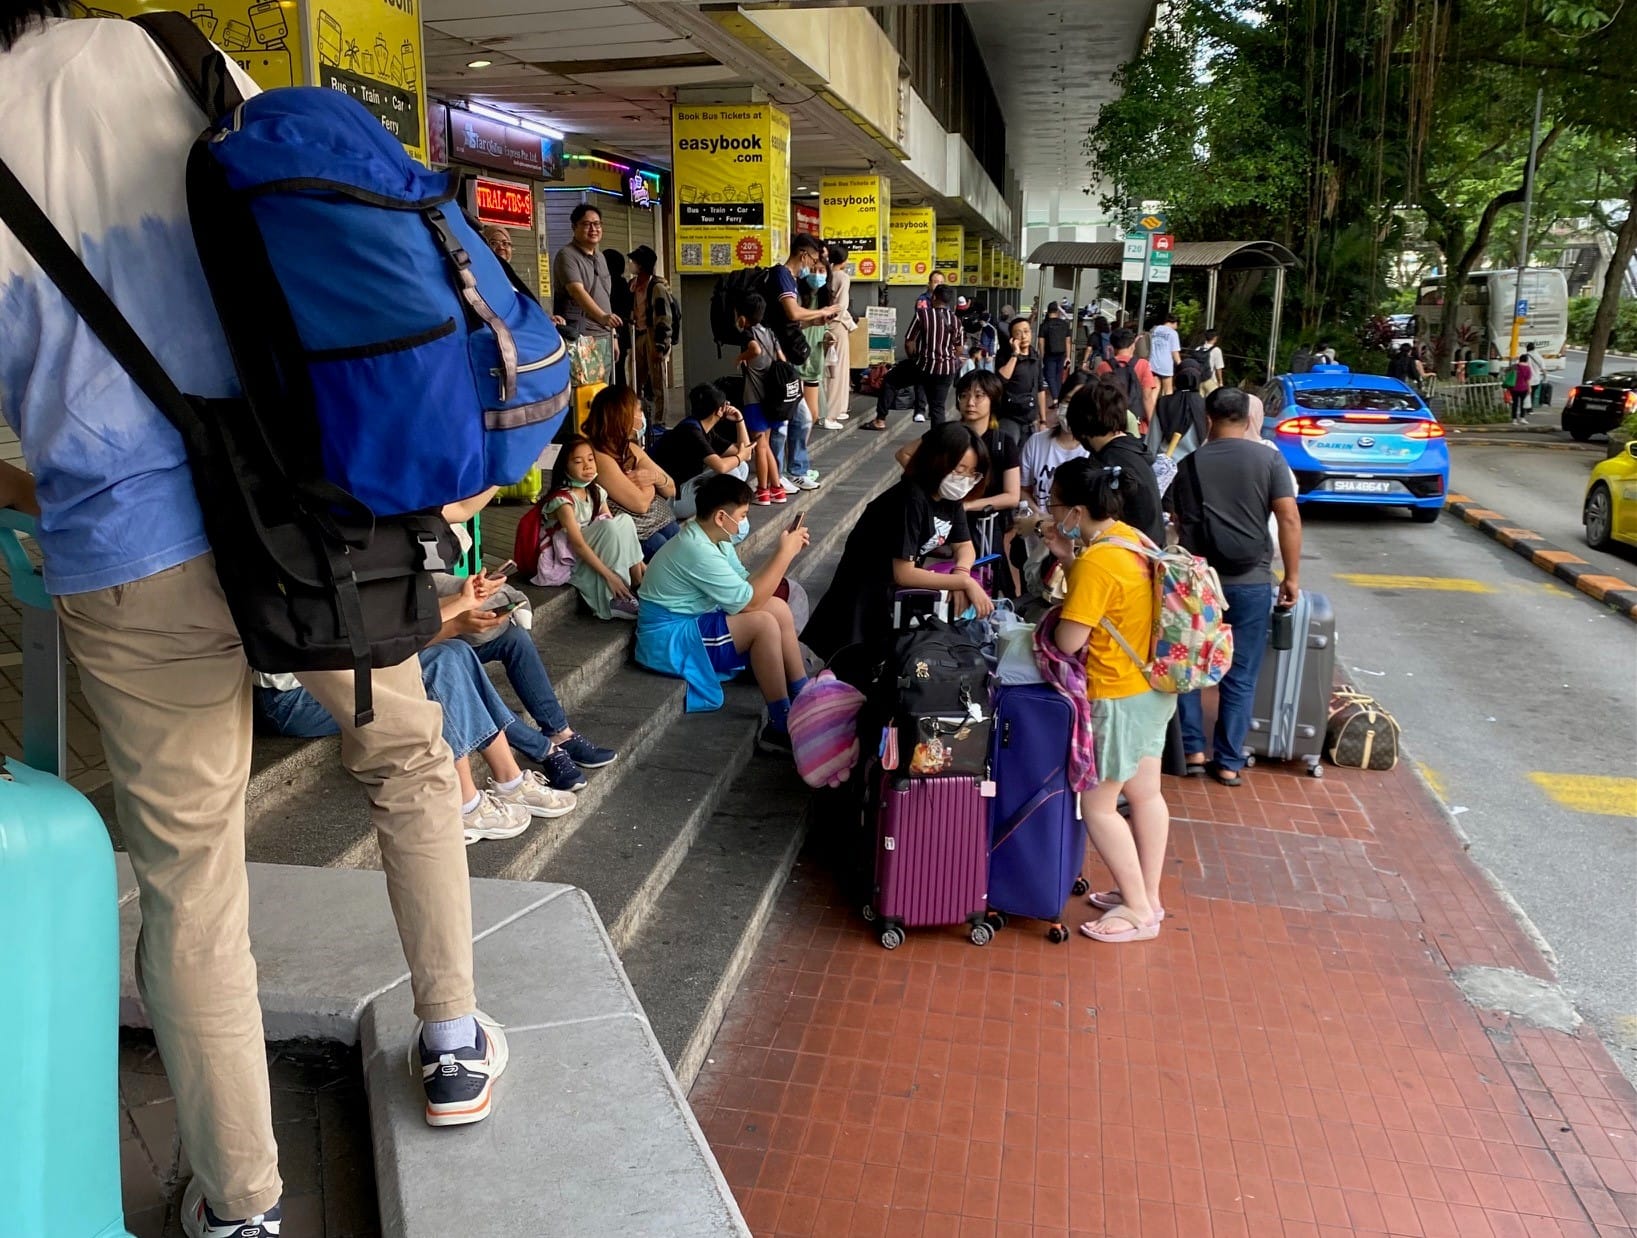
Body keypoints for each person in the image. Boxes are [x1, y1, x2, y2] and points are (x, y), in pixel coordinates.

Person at [0, 11, 501, 1233]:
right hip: (304, 516)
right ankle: (449, 1036)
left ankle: (242, 1203)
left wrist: (63, 480)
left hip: (124, 558)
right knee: (405, 757)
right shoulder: (174, 53)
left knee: (192, 884)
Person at [1040, 458, 1177, 943]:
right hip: (1153, 688)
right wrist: (1067, 556)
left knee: (1098, 805)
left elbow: (1071, 640)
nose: (1051, 512)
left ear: (1077, 511)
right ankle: (1149, 896)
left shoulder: (1099, 561)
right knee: (1146, 794)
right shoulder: (1131, 538)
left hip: (1116, 696)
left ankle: (1138, 911)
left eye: (1055, 504)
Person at [1171, 388, 1303, 786]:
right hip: (1251, 582)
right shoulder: (1269, 459)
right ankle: (1228, 761)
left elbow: (1178, 519)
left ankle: (1192, 750)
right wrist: (1292, 577)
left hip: (1198, 583)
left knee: (1190, 665)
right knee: (1241, 674)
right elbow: (1289, 519)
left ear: (1207, 420)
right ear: (1248, 419)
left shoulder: (1189, 464)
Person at [635, 473, 810, 752]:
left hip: (693, 621)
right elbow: (749, 604)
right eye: (741, 516)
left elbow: (746, 585)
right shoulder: (696, 549)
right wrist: (784, 554)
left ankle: (804, 693)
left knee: (775, 606)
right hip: (669, 637)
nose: (743, 522)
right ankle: (780, 723)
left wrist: (783, 553)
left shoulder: (716, 540)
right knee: (763, 623)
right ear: (720, 517)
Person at [802, 422, 995, 661]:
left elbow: (964, 544)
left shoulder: (949, 497)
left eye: (972, 473)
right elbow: (904, 573)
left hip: (891, 598)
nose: (964, 480)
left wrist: (962, 572)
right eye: (959, 469)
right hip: (862, 596)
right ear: (937, 460)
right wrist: (963, 583)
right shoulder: (910, 499)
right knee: (851, 675)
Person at [534, 436, 646, 620]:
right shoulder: (562, 500)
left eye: (590, 459)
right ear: (565, 467)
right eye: (578, 461)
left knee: (623, 521)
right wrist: (610, 576)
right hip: (573, 556)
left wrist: (640, 563)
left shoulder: (595, 491)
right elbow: (577, 544)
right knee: (613, 526)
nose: (587, 465)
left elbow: (618, 528)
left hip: (595, 548)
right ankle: (614, 596)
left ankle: (637, 582)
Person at [583, 385, 680, 558]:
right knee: (660, 545)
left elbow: (671, 488)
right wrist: (652, 484)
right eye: (638, 411)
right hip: (617, 534)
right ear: (622, 416)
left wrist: (654, 477)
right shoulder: (598, 455)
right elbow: (640, 505)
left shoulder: (630, 449)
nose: (641, 416)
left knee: (673, 531)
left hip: (645, 523)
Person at [1065, 382, 1166, 547]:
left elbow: (1094, 530)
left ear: (1080, 425)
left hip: (1125, 559)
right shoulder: (1135, 449)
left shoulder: (1106, 465)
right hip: (1150, 555)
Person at [861, 284, 963, 432]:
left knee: (890, 381)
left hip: (923, 365)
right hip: (946, 370)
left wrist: (914, 359)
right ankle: (940, 441)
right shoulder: (956, 321)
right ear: (949, 302)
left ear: (933, 298)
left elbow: (909, 342)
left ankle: (880, 420)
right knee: (937, 407)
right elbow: (959, 349)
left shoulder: (923, 315)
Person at [653, 382, 753, 519]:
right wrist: (741, 455)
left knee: (741, 467)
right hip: (672, 501)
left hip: (685, 489)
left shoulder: (702, 427)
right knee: (732, 472)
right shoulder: (691, 432)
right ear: (719, 410)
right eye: (726, 403)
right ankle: (718, 517)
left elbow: (743, 451)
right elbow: (722, 466)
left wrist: (739, 420)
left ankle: (727, 513)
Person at [733, 292, 787, 505]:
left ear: (743, 317)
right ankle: (777, 488)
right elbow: (781, 359)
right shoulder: (770, 333)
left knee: (760, 446)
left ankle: (763, 490)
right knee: (766, 445)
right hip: (772, 398)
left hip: (754, 398)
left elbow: (754, 349)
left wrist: (740, 357)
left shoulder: (749, 333)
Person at [552, 203, 618, 362]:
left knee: (604, 386)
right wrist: (603, 317)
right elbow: (577, 291)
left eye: (597, 224)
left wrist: (613, 335)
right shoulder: (566, 255)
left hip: (605, 336)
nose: (593, 229)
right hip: (581, 337)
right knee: (585, 386)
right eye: (587, 224)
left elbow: (604, 298)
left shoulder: (600, 257)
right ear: (574, 227)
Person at [627, 245, 676, 427]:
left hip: (653, 336)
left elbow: (664, 318)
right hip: (638, 335)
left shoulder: (656, 288)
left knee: (658, 383)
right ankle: (637, 417)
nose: (631, 265)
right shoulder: (633, 286)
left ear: (642, 265)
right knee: (635, 380)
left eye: (634, 262)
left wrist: (661, 345)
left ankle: (659, 421)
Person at [1019, 387, 1089, 511]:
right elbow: (1023, 490)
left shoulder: (1094, 453)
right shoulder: (1036, 442)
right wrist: (1041, 519)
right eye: (1068, 401)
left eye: (1080, 404)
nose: (1072, 410)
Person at [819, 241, 856, 430]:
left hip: (822, 325)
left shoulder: (825, 274)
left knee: (826, 371)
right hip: (837, 326)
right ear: (845, 259)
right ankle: (831, 413)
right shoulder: (843, 277)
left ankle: (831, 409)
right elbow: (841, 306)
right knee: (837, 371)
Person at [994, 316, 1047, 448]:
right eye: (1018, 333)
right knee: (1007, 455)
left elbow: (1040, 388)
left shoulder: (1035, 356)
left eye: (1026, 331)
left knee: (1027, 460)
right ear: (1012, 338)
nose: (1023, 336)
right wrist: (1015, 354)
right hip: (1010, 417)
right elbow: (1001, 379)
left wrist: (1043, 420)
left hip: (1030, 419)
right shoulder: (1004, 355)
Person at [1095, 327, 1158, 434]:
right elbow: (1147, 398)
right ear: (1133, 345)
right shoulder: (1143, 365)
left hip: (1110, 424)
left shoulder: (1102, 367)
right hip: (1138, 425)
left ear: (1112, 347)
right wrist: (1153, 426)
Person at [1150, 365, 1207, 458]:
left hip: (1166, 462)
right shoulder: (1206, 405)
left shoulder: (1164, 403)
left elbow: (1153, 438)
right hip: (1195, 462)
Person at [604, 247, 634, 391]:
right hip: (622, 333)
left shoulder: (610, 284)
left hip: (613, 331)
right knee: (619, 369)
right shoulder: (624, 283)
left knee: (613, 370)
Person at [1038, 299, 1074, 401]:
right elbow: (1068, 341)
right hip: (1062, 353)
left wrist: (1042, 354)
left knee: (1050, 376)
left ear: (1048, 311)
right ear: (1057, 312)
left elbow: (1041, 342)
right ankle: (1058, 396)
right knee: (1058, 376)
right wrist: (1068, 356)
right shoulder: (1064, 324)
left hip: (1049, 354)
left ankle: (1055, 397)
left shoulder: (1044, 325)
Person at [1148, 309, 1182, 396]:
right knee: (1168, 391)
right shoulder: (1173, 333)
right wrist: (1180, 365)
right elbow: (1175, 352)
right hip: (1166, 365)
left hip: (1152, 363)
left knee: (1155, 388)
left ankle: (1151, 408)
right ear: (1174, 322)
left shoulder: (1154, 329)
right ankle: (1165, 408)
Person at [1509, 352, 1534, 423]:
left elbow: (1508, 372)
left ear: (1519, 359)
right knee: (1523, 403)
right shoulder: (1527, 368)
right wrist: (1529, 388)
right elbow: (1527, 380)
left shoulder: (1514, 366)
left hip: (1513, 388)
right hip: (1523, 388)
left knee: (1515, 404)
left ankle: (1514, 419)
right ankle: (1522, 418)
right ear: (1526, 360)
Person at [1199, 328, 1225, 394]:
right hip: (1210, 381)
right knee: (1212, 401)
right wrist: (1220, 382)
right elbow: (1218, 368)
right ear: (1215, 338)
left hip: (1198, 380)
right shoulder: (1216, 350)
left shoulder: (1198, 349)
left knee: (1199, 402)